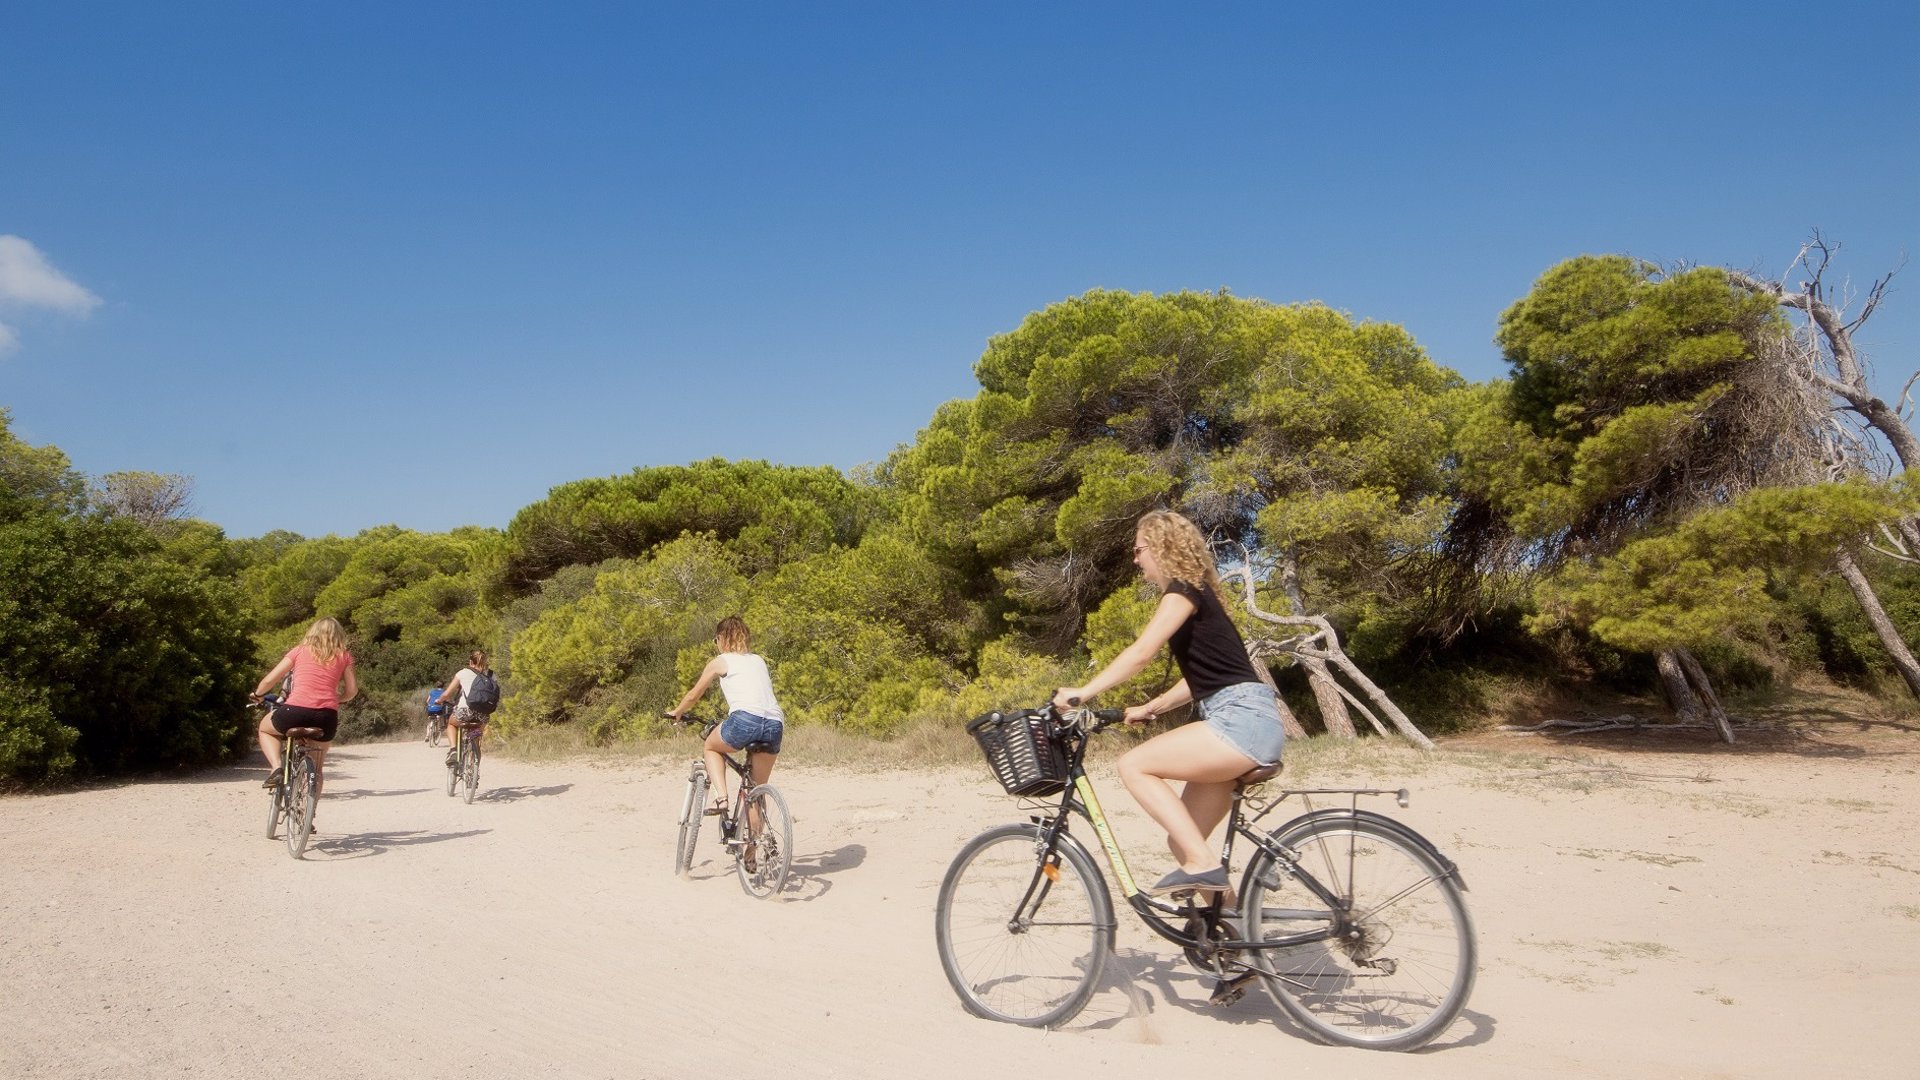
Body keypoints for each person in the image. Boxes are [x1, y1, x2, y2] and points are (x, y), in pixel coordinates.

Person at [1052, 509, 1286, 897]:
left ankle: (1206, 866)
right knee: (1183, 842)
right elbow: (1204, 680)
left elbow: (1142, 651)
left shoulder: (1183, 590)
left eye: (1139, 549)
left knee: (1133, 765)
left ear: (1161, 547)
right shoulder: (1198, 593)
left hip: (1240, 720)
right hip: (1247, 717)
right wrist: (1152, 707)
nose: (1135, 558)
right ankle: (1231, 937)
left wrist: (1083, 692)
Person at [666, 616, 785, 819]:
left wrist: (677, 712)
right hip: (775, 724)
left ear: (721, 638)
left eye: (715, 640)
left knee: (711, 747)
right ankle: (752, 848)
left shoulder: (721, 661)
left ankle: (721, 798)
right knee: (756, 790)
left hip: (745, 720)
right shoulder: (758, 660)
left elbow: (694, 695)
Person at [251, 617, 358, 819]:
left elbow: (269, 680)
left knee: (265, 729)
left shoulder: (299, 651)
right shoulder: (343, 656)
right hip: (326, 717)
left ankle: (276, 768)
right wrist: (338, 700)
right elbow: (352, 691)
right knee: (317, 771)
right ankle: (307, 814)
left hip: (294, 712)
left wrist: (258, 695)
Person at [437, 650, 493, 766]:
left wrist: (440, 700)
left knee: (451, 724)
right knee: (476, 738)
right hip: (483, 714)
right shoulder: (490, 674)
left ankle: (453, 750)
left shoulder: (463, 673)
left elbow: (447, 694)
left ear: (470, 662)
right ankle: (473, 769)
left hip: (464, 711)